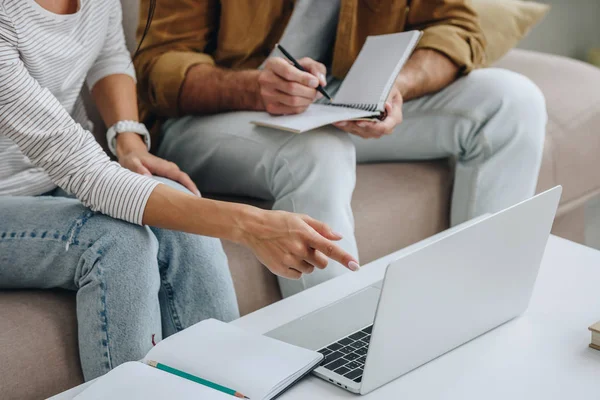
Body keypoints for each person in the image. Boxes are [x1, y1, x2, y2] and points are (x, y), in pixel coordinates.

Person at [0, 0, 358, 381]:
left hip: (53, 178)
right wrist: (252, 224)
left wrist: (128, 138)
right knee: (116, 242)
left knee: (179, 210)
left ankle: (228, 385)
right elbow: (87, 174)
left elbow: (108, 56)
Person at [134, 0, 547, 298]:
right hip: (209, 117)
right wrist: (253, 86)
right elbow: (155, 67)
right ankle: (340, 351)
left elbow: (455, 23)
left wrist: (396, 86)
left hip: (335, 100)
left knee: (513, 101)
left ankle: (481, 305)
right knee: (318, 150)